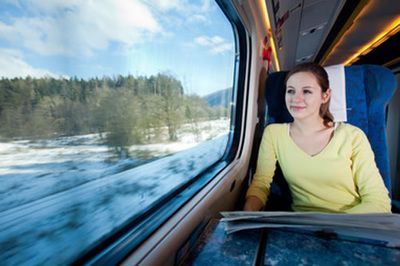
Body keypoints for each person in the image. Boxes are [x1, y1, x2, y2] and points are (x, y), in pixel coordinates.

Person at [244, 63, 391, 213]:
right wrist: (247, 212)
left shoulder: (352, 136)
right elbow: (261, 184)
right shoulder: (274, 134)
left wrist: (330, 226)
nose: (296, 98)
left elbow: (379, 202)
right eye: (290, 91)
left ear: (325, 96)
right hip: (302, 225)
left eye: (306, 91)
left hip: (351, 222)